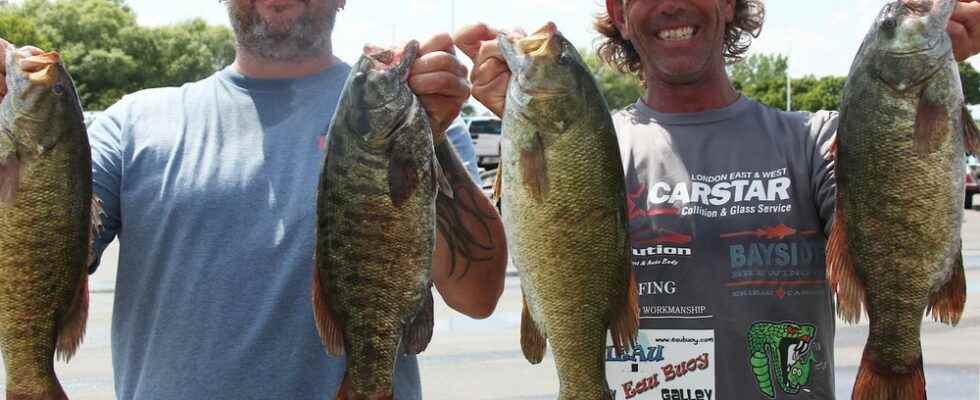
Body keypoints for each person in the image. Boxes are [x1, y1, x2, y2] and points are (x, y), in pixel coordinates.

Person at [456, 0, 980, 398]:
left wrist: (916, 89)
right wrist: (515, 128)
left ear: (731, 3)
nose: (672, 4)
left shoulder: (813, 142)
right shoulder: (586, 152)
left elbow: (897, 201)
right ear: (618, 11)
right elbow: (482, 287)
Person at [0, 0, 508, 399]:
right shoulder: (131, 125)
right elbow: (37, 259)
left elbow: (478, 296)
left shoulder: (421, 114)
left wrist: (426, 141)